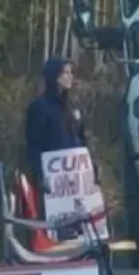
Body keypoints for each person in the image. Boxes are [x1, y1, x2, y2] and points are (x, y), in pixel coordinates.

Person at [25, 57, 97, 196]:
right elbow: (34, 145)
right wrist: (40, 174)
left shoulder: (73, 105)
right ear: (55, 76)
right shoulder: (39, 107)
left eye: (71, 72)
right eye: (66, 73)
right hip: (53, 178)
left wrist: (93, 167)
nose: (71, 76)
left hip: (78, 176)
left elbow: (83, 138)